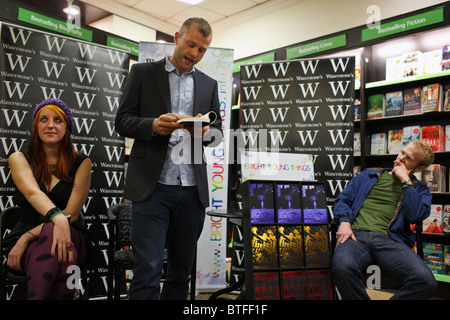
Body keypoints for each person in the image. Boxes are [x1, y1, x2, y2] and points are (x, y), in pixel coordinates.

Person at [115, 17, 222, 300]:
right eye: (191, 45)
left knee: (181, 272)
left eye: (202, 49)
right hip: (152, 188)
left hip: (191, 192)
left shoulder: (209, 85)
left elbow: (218, 134)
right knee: (147, 271)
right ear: (177, 37)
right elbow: (122, 121)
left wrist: (206, 132)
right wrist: (153, 126)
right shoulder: (142, 73)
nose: (195, 54)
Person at [5, 98, 91, 300]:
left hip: (72, 234)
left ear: (67, 128)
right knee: (63, 261)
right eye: (43, 119)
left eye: (58, 120)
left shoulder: (81, 162)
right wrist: (58, 217)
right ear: (36, 126)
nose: (50, 125)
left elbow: (73, 214)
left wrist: (28, 236)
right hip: (32, 239)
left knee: (58, 236)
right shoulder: (19, 158)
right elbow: (33, 193)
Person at [332, 140, 437, 300]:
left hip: (391, 241)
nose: (400, 158)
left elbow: (415, 215)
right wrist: (345, 222)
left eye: (407, 158)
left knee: (426, 281)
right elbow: (343, 200)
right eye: (402, 152)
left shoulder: (419, 188)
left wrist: (405, 182)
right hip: (356, 236)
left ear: (419, 168)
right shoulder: (368, 175)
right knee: (342, 268)